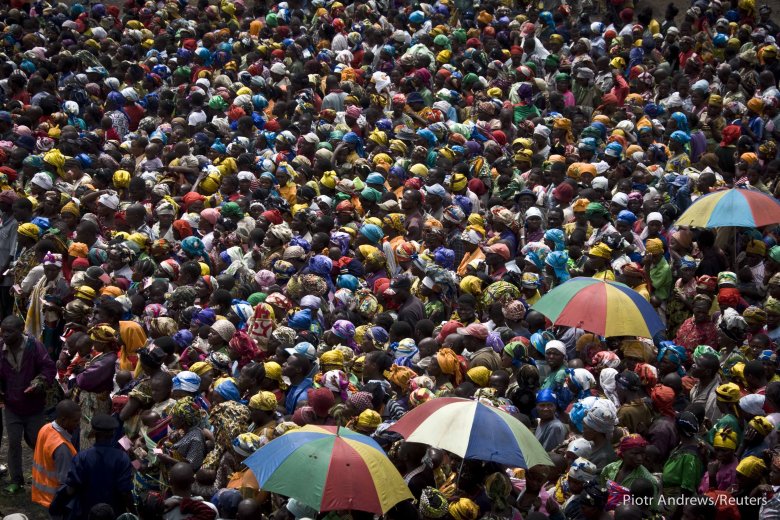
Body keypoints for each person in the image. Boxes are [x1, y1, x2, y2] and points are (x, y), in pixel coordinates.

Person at [0, 314, 56, 494]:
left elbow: (48, 367)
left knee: (36, 442)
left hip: (34, 406)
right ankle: (16, 480)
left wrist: (39, 382)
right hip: (12, 405)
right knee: (13, 442)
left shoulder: (34, 346)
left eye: (9, 331)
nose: (5, 335)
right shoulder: (1, 348)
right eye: (3, 331)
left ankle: (44, 476)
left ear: (20, 330)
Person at [56, 414, 133, 519]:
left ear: (94, 433)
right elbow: (125, 491)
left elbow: (72, 488)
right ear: (113, 433)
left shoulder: (81, 457)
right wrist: (133, 511)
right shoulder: (122, 458)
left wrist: (58, 504)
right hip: (113, 513)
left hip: (86, 513)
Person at [31, 399, 80, 510]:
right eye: (75, 421)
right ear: (63, 420)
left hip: (41, 494)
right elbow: (66, 482)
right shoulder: (62, 447)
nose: (78, 424)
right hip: (55, 500)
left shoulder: (45, 428)